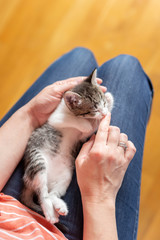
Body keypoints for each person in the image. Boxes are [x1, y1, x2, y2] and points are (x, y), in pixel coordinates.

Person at [0, 47, 153, 240]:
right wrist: (100, 196)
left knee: (81, 55)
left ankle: (50, 196)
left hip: (5, 208)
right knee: (127, 67)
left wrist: (30, 115)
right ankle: (46, 200)